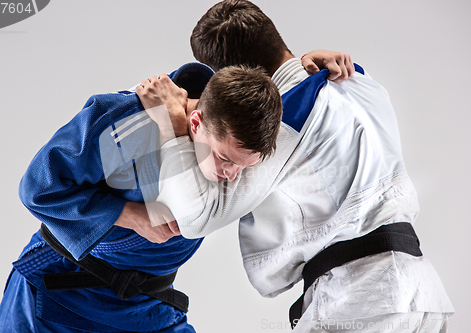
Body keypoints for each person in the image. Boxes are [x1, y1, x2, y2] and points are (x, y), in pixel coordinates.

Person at [139, 1, 454, 332]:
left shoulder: (288, 122)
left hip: (363, 301)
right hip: (421, 295)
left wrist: (171, 120)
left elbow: (196, 216)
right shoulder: (358, 79)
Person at [0, 63, 284, 332]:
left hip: (144, 307)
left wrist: (311, 63)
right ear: (195, 122)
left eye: (244, 166)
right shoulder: (134, 128)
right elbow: (40, 189)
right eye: (225, 159)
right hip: (60, 292)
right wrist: (130, 215)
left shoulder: (237, 128)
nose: (232, 175)